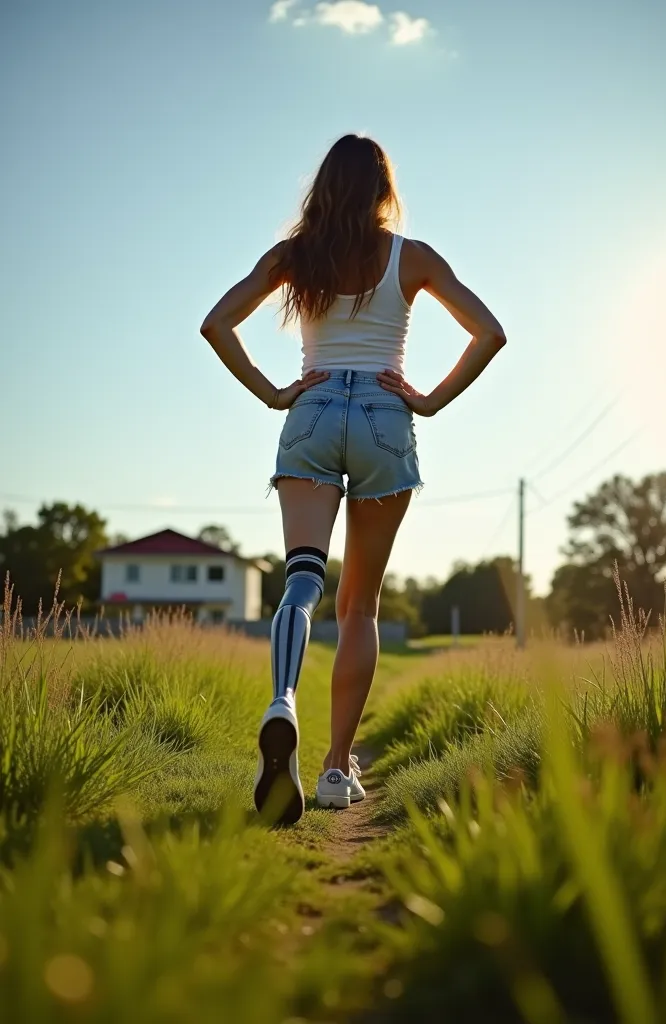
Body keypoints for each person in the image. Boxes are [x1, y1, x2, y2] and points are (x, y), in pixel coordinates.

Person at [200, 133, 506, 825]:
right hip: (383, 417)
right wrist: (428, 399)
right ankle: (338, 768)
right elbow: (488, 332)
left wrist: (272, 392)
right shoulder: (413, 257)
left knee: (302, 581)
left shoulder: (293, 257)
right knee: (359, 606)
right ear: (383, 191)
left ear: (324, 188)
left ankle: (283, 699)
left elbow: (217, 323)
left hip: (310, 412)